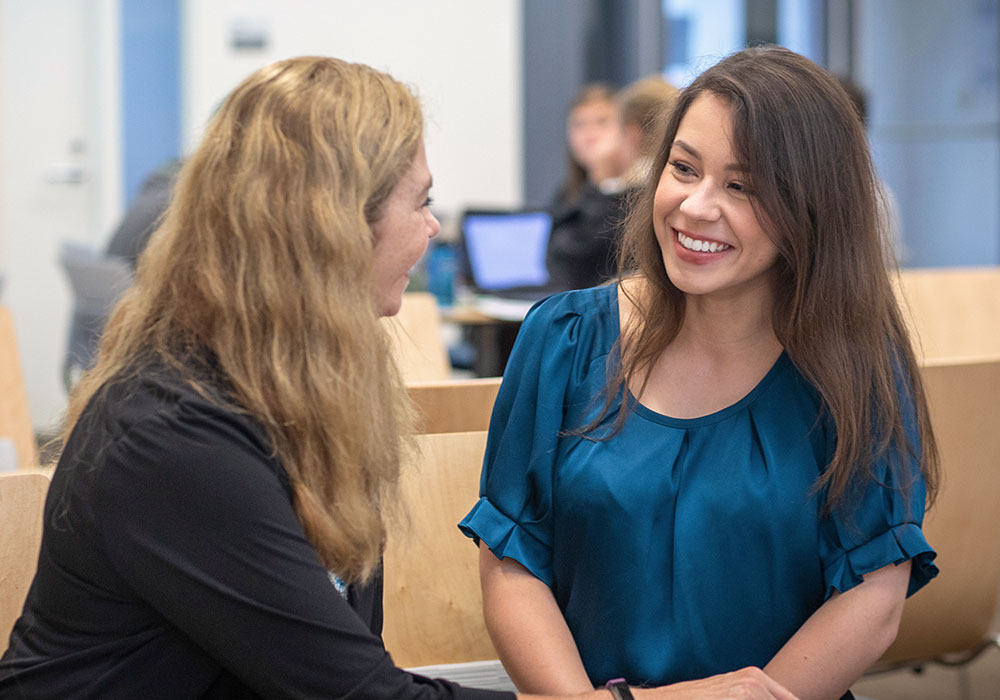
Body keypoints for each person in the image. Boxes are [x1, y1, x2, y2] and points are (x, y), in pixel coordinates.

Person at [0, 56, 797, 700]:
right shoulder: (171, 434)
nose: (433, 229)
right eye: (422, 202)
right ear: (334, 229)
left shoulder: (296, 384)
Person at [460, 45, 939, 700]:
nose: (694, 207)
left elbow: (873, 598)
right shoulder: (563, 339)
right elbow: (512, 563)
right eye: (683, 169)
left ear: (812, 209)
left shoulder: (855, 366)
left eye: (741, 187)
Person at [545, 84, 629, 292]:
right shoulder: (568, 193)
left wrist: (604, 181)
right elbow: (558, 261)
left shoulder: (637, 193)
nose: (590, 135)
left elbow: (590, 257)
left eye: (602, 122)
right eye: (579, 125)